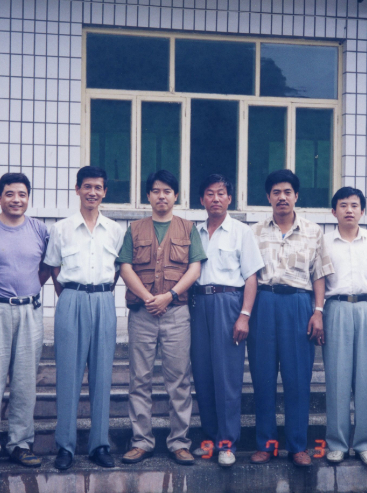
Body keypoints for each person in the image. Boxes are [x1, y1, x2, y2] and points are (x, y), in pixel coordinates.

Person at [118, 170, 206, 466]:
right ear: (148, 196)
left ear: (176, 196)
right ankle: (141, 441)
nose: (161, 196)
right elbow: (125, 268)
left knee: (178, 380)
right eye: (156, 191)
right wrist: (147, 297)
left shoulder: (188, 228)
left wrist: (169, 295)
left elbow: (195, 268)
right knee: (139, 379)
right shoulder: (134, 229)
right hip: (142, 314)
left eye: (167, 191)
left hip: (177, 313)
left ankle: (179, 442)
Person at [248, 169, 333, 468]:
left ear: (296, 196)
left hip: (298, 304)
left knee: (298, 378)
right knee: (263, 376)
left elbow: (319, 274)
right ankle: (266, 445)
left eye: (287, 192)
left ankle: (298, 446)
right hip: (264, 302)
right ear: (268, 197)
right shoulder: (255, 231)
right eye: (276, 192)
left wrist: (318, 312)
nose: (282, 197)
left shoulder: (314, 231)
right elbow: (249, 276)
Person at [0, 172, 51, 470]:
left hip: (30, 311)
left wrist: (26, 293)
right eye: (10, 194)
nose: (17, 200)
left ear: (28, 197)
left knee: (26, 381)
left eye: (22, 194)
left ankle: (20, 443)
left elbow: (44, 270)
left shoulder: (40, 230)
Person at [44, 166, 124, 470]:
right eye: (87, 186)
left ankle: (99, 445)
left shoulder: (115, 230)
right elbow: (54, 268)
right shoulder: (61, 228)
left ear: (104, 192)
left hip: (104, 300)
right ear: (77, 189)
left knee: (103, 376)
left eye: (98, 187)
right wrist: (71, 297)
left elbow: (117, 270)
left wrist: (100, 294)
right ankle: (65, 446)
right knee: (68, 375)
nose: (92, 192)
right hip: (71, 299)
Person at [191, 174, 264, 467]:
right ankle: (209, 440)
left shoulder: (241, 232)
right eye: (209, 194)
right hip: (198, 304)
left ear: (229, 198)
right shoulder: (194, 232)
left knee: (227, 378)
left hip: (229, 303)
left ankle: (227, 444)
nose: (216, 199)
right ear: (201, 200)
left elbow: (251, 277)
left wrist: (244, 315)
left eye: (221, 193)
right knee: (204, 375)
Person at [322, 186, 367, 467]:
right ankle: (338, 444)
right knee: (338, 379)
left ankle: (366, 443)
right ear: (334, 212)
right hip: (336, 309)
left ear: (362, 211)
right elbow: (318, 282)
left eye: (354, 205)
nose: (349, 210)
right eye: (343, 205)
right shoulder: (324, 242)